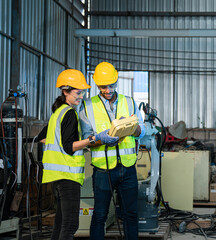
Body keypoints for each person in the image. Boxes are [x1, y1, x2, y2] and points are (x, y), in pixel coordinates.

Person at [40, 69, 119, 240]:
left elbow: (42, 139)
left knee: (61, 223)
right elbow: (69, 147)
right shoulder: (69, 114)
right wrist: (95, 138)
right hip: (68, 176)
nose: (81, 96)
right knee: (70, 225)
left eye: (82, 92)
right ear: (65, 91)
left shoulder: (57, 112)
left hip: (56, 175)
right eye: (78, 92)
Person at [79, 62, 145, 240]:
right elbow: (87, 140)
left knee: (130, 214)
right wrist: (101, 138)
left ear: (116, 81)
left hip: (128, 167)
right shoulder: (87, 106)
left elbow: (141, 132)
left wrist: (131, 126)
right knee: (100, 215)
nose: (108, 90)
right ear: (96, 85)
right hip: (102, 170)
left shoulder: (129, 102)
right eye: (103, 86)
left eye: (111, 85)